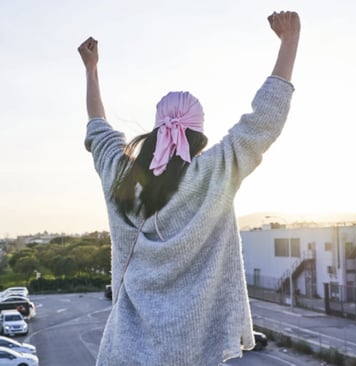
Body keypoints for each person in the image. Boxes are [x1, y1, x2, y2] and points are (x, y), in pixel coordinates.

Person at [78, 10, 300, 366]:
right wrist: (290, 41)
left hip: (121, 354)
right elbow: (265, 120)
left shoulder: (120, 177)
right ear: (197, 137)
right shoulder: (215, 173)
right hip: (191, 356)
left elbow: (98, 128)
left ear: (154, 131)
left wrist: (91, 69)